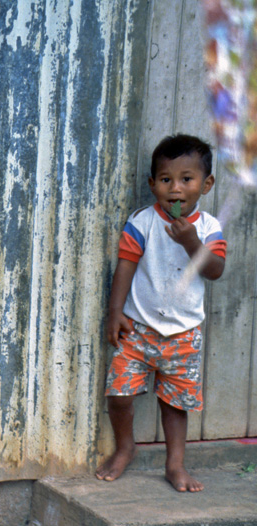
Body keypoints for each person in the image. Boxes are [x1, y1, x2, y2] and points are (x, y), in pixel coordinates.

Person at [96, 134, 226, 493]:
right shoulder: (142, 222)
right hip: (138, 328)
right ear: (153, 184)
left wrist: (191, 242)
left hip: (184, 333)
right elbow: (125, 265)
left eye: (187, 179)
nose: (176, 189)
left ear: (206, 184)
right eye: (166, 180)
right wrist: (114, 312)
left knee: (174, 404)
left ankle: (175, 465)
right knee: (119, 394)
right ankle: (125, 448)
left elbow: (215, 270)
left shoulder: (209, 228)